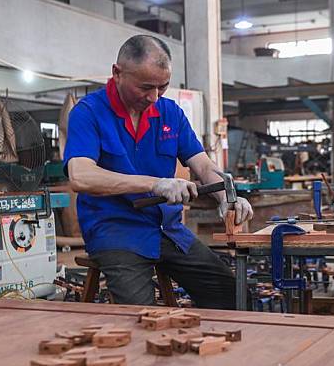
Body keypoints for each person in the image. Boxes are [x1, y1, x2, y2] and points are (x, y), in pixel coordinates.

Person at [64, 35, 253, 309]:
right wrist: (156, 184)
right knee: (143, 316)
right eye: (145, 87)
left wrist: (225, 195)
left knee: (232, 294)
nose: (153, 97)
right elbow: (80, 175)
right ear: (117, 73)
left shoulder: (170, 113)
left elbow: (202, 164)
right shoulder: (89, 112)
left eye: (162, 87)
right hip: (117, 232)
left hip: (168, 230)